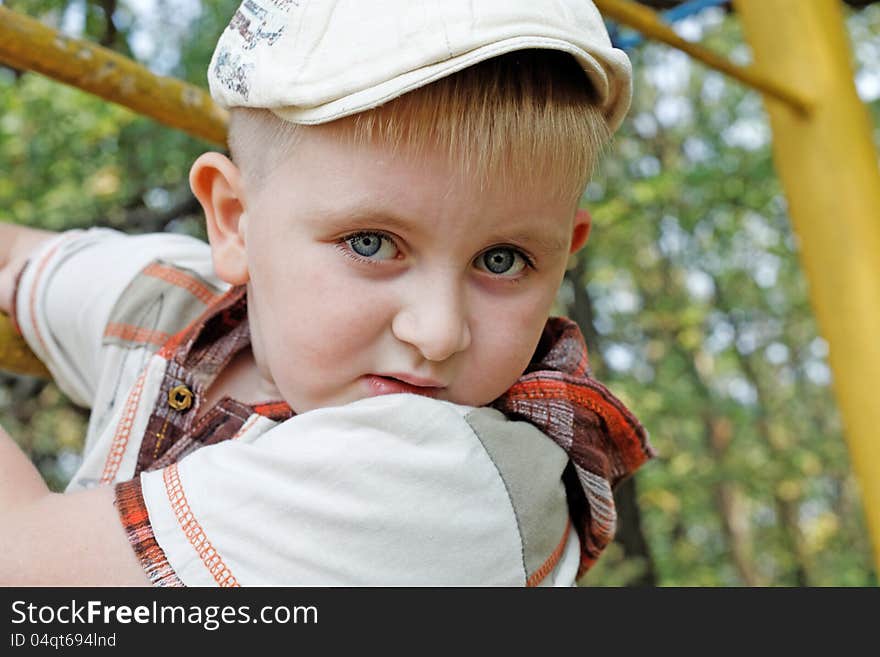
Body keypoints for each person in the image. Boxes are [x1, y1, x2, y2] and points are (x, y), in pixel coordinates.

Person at [0, 0, 654, 586]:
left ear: (563, 253)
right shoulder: (168, 300)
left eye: (503, 259)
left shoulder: (455, 481)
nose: (438, 331)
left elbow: (25, 572)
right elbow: (19, 254)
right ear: (234, 221)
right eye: (370, 243)